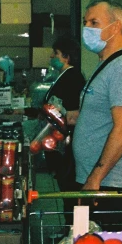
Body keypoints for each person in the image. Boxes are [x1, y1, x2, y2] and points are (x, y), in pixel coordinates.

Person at [73, 0, 122, 228]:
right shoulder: (107, 64)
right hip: (98, 178)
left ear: (116, 27)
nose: (87, 28)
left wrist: (96, 178)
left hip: (111, 181)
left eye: (94, 23)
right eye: (85, 22)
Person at [44, 36, 85, 206]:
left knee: (69, 185)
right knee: (64, 184)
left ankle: (72, 227)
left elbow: (73, 114)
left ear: (66, 57)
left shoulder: (73, 77)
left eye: (56, 53)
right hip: (59, 138)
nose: (52, 56)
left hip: (67, 141)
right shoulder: (63, 76)